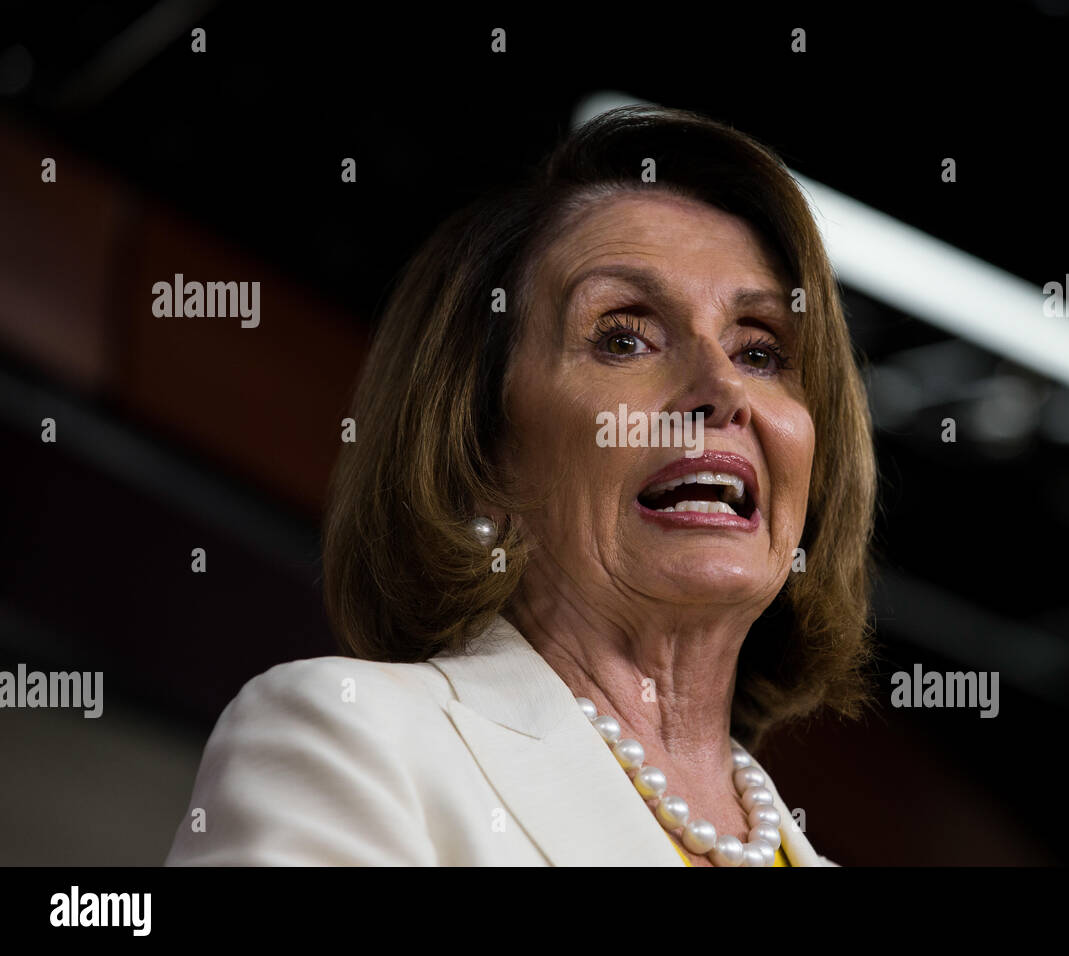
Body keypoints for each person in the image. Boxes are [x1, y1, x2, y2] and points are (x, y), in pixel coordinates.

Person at [164, 105, 878, 866]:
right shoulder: (356, 739)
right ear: (480, 452)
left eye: (761, 352)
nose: (721, 388)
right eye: (624, 337)